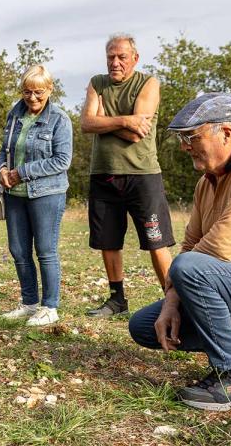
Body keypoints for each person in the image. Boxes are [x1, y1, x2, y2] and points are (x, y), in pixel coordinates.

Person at [129, 93, 231, 411]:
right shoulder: (205, 183)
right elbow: (190, 246)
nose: (184, 146)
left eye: (191, 136)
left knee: (190, 267)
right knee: (145, 325)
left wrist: (179, 283)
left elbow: (218, 247)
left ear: (225, 132)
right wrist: (171, 303)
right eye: (182, 138)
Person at [80, 34, 174, 317]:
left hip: (142, 175)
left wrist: (104, 120)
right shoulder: (98, 82)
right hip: (103, 174)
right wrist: (124, 119)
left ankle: (175, 302)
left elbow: (138, 133)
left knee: (157, 243)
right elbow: (86, 122)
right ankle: (117, 299)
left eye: (121, 57)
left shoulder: (148, 83)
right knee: (107, 241)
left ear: (135, 58)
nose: (115, 62)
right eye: (111, 56)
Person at [0, 65, 73, 326]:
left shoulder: (60, 119)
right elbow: (3, 150)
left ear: (50, 90)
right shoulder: (14, 114)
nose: (32, 98)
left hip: (47, 193)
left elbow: (62, 161)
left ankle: (50, 306)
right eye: (27, 92)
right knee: (18, 250)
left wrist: (22, 172)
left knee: (45, 250)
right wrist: (2, 170)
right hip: (14, 194)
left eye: (39, 92)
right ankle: (29, 303)